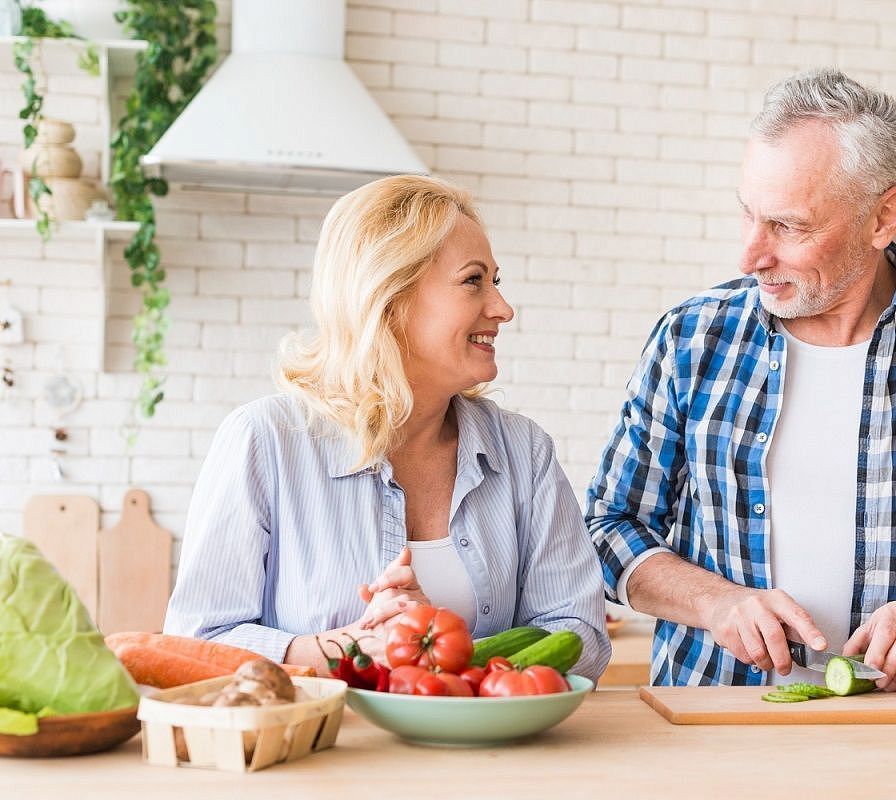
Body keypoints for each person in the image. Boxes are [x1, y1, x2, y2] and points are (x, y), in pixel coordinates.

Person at [586, 68, 896, 690]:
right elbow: (610, 528)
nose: (751, 255)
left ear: (882, 217)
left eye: (788, 226)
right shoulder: (690, 340)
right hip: (715, 713)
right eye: (748, 216)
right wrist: (715, 602)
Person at [164, 175, 610, 682]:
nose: (502, 309)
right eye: (473, 281)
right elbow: (194, 643)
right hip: (323, 756)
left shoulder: (525, 453)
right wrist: (344, 649)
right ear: (390, 298)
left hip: (487, 759)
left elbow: (583, 640)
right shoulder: (264, 442)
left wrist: (435, 647)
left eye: (496, 282)